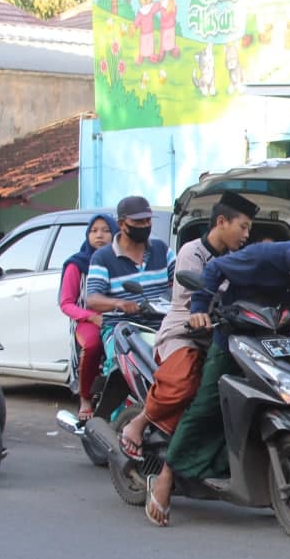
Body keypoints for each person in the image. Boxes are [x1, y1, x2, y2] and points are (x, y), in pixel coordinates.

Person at [149, 231, 290, 525]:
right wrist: (198, 310)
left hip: (273, 342)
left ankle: (273, 484)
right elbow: (215, 269)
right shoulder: (262, 257)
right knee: (207, 406)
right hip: (232, 338)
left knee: (283, 401)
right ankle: (166, 476)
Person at [122, 192, 257, 524]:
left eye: (249, 229)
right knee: (185, 386)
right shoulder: (191, 252)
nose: (246, 235)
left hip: (224, 334)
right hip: (185, 332)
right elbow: (194, 297)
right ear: (221, 222)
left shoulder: (239, 257)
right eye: (243, 226)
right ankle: (138, 423)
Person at [84, 196, 175, 370]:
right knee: (119, 368)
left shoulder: (161, 249)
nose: (145, 225)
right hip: (121, 328)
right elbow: (93, 299)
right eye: (138, 221)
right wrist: (119, 303)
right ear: (122, 224)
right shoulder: (103, 257)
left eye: (148, 220)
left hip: (163, 327)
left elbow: (181, 280)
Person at [57, 215, 116, 420]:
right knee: (92, 345)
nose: (99, 235)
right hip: (88, 321)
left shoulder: (120, 260)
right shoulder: (77, 264)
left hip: (118, 317)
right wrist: (90, 316)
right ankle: (85, 397)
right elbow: (66, 303)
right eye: (94, 230)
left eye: (106, 230)